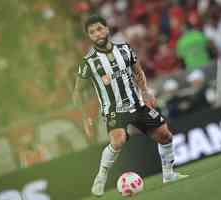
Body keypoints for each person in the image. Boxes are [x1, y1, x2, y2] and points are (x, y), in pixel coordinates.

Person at [72, 15, 188, 197]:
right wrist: (85, 117)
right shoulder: (89, 62)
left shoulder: (124, 49)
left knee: (165, 136)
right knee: (117, 141)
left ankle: (169, 174)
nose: (97, 34)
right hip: (113, 111)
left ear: (107, 29)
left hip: (137, 104)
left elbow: (137, 70)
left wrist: (146, 91)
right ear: (89, 36)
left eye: (99, 29)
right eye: (92, 32)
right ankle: (101, 177)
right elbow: (77, 92)